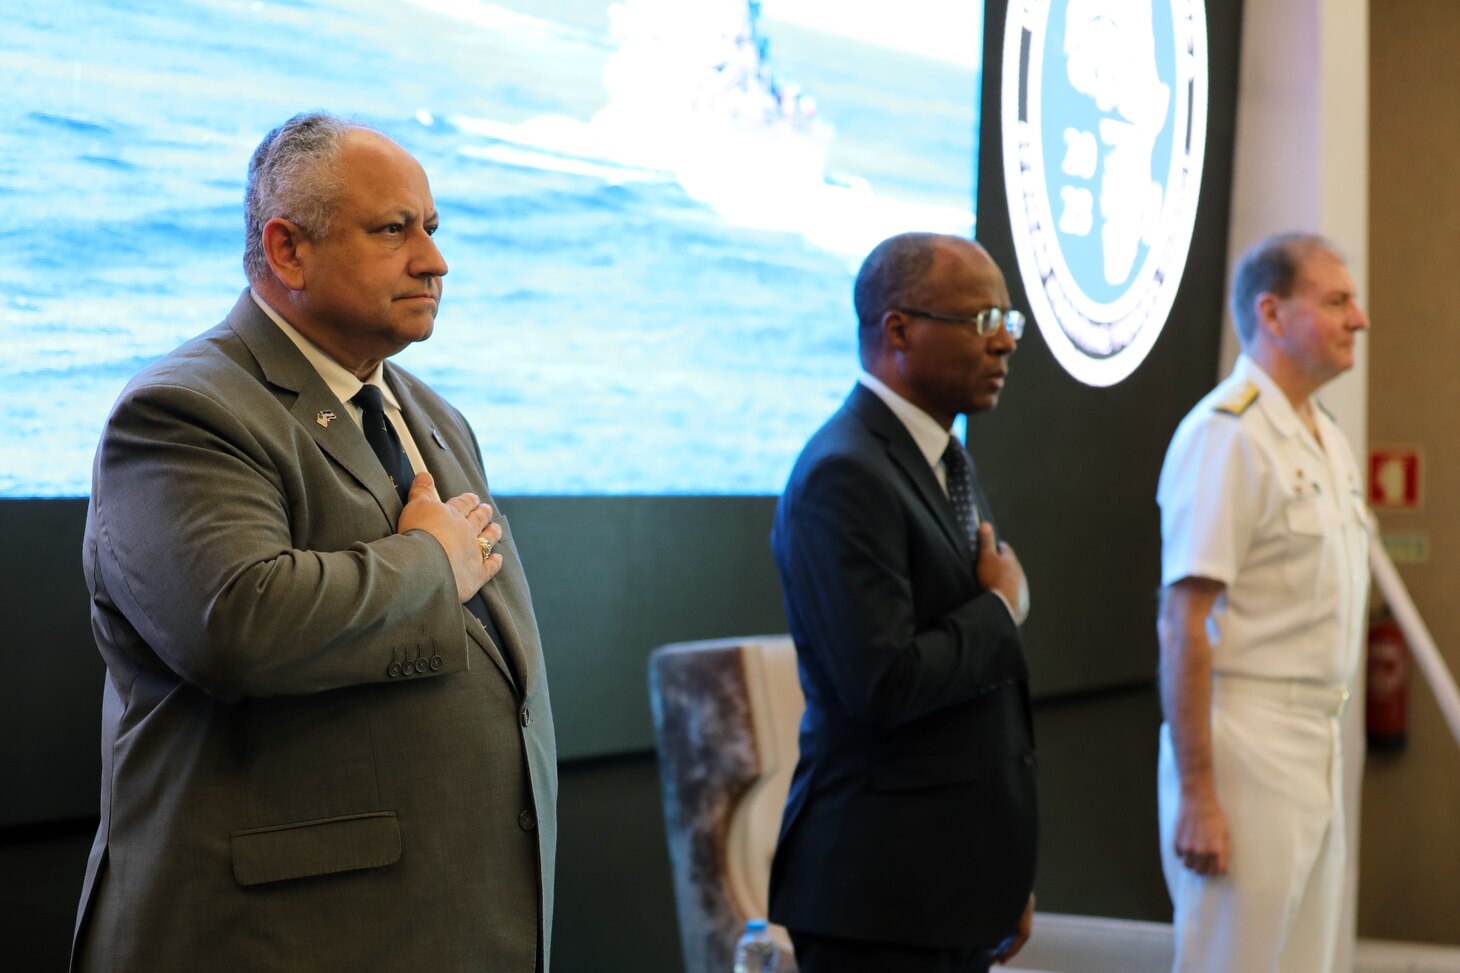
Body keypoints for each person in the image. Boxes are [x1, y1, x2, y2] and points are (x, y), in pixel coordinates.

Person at [72, 112, 556, 971]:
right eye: (393, 231)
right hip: (285, 938)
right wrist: (430, 563)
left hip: (447, 924)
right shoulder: (184, 410)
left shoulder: (433, 416)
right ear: (287, 249)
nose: (434, 261)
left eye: (433, 229)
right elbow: (238, 623)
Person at [768, 232, 1037, 973]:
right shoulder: (843, 473)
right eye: (986, 322)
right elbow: (882, 684)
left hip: (949, 888)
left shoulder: (945, 455)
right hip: (878, 902)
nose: (1006, 344)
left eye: (1010, 324)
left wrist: (999, 873)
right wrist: (1000, 609)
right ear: (898, 330)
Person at [1156, 233, 1371, 972]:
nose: (1360, 319)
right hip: (1245, 742)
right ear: (1271, 313)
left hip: (1318, 735)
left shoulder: (1326, 439)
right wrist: (1198, 794)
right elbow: (1182, 622)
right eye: (1337, 300)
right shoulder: (1228, 435)